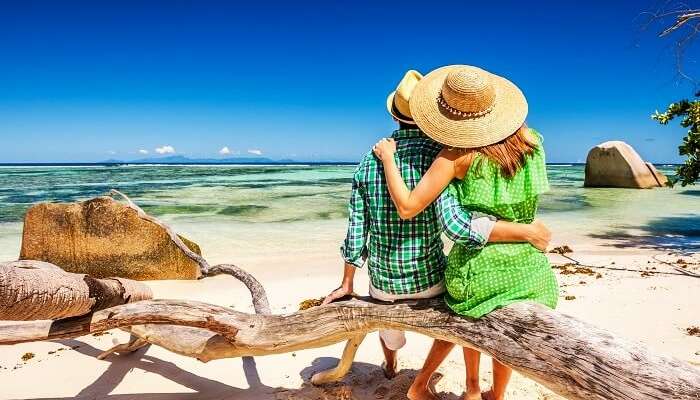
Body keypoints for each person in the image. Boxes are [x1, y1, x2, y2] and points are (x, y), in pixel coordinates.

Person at [322, 69, 553, 380]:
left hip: (388, 283)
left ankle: (391, 364)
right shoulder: (506, 146)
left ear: (395, 116)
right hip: (463, 276)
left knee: (395, 328)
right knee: (456, 322)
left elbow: (358, 228)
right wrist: (526, 231)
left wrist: (347, 282)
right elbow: (457, 221)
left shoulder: (376, 161)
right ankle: (473, 387)